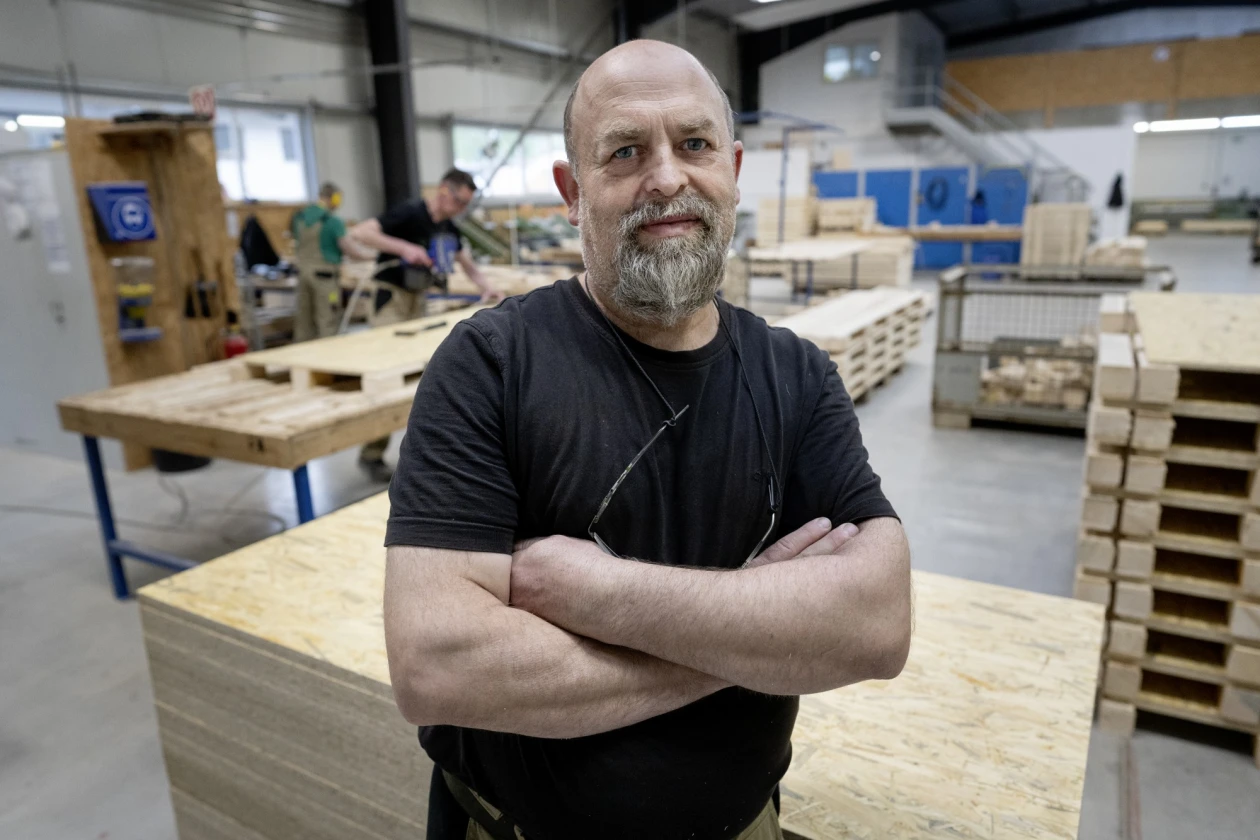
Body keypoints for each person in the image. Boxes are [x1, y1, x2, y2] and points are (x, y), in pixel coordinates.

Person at [382, 40, 912, 840]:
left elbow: (875, 625)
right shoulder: (491, 365)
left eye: (694, 145)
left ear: (732, 168)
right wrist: (759, 636)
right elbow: (438, 664)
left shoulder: (797, 376)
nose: (666, 177)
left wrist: (598, 595)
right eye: (626, 151)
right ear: (572, 190)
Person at [350, 168, 504, 480]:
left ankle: (418, 454)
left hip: (417, 299)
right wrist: (404, 248)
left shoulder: (447, 227)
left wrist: (485, 287)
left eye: (465, 206)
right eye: (459, 201)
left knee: (418, 373)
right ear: (444, 190)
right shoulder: (410, 213)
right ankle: (371, 453)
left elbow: (466, 263)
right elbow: (361, 233)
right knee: (388, 372)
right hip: (390, 298)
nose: (460, 210)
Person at [291, 182, 374, 341]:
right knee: (327, 320)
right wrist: (370, 256)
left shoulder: (299, 217)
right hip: (325, 278)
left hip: (302, 275)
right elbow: (349, 249)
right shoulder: (332, 221)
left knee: (304, 323)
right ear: (334, 198)